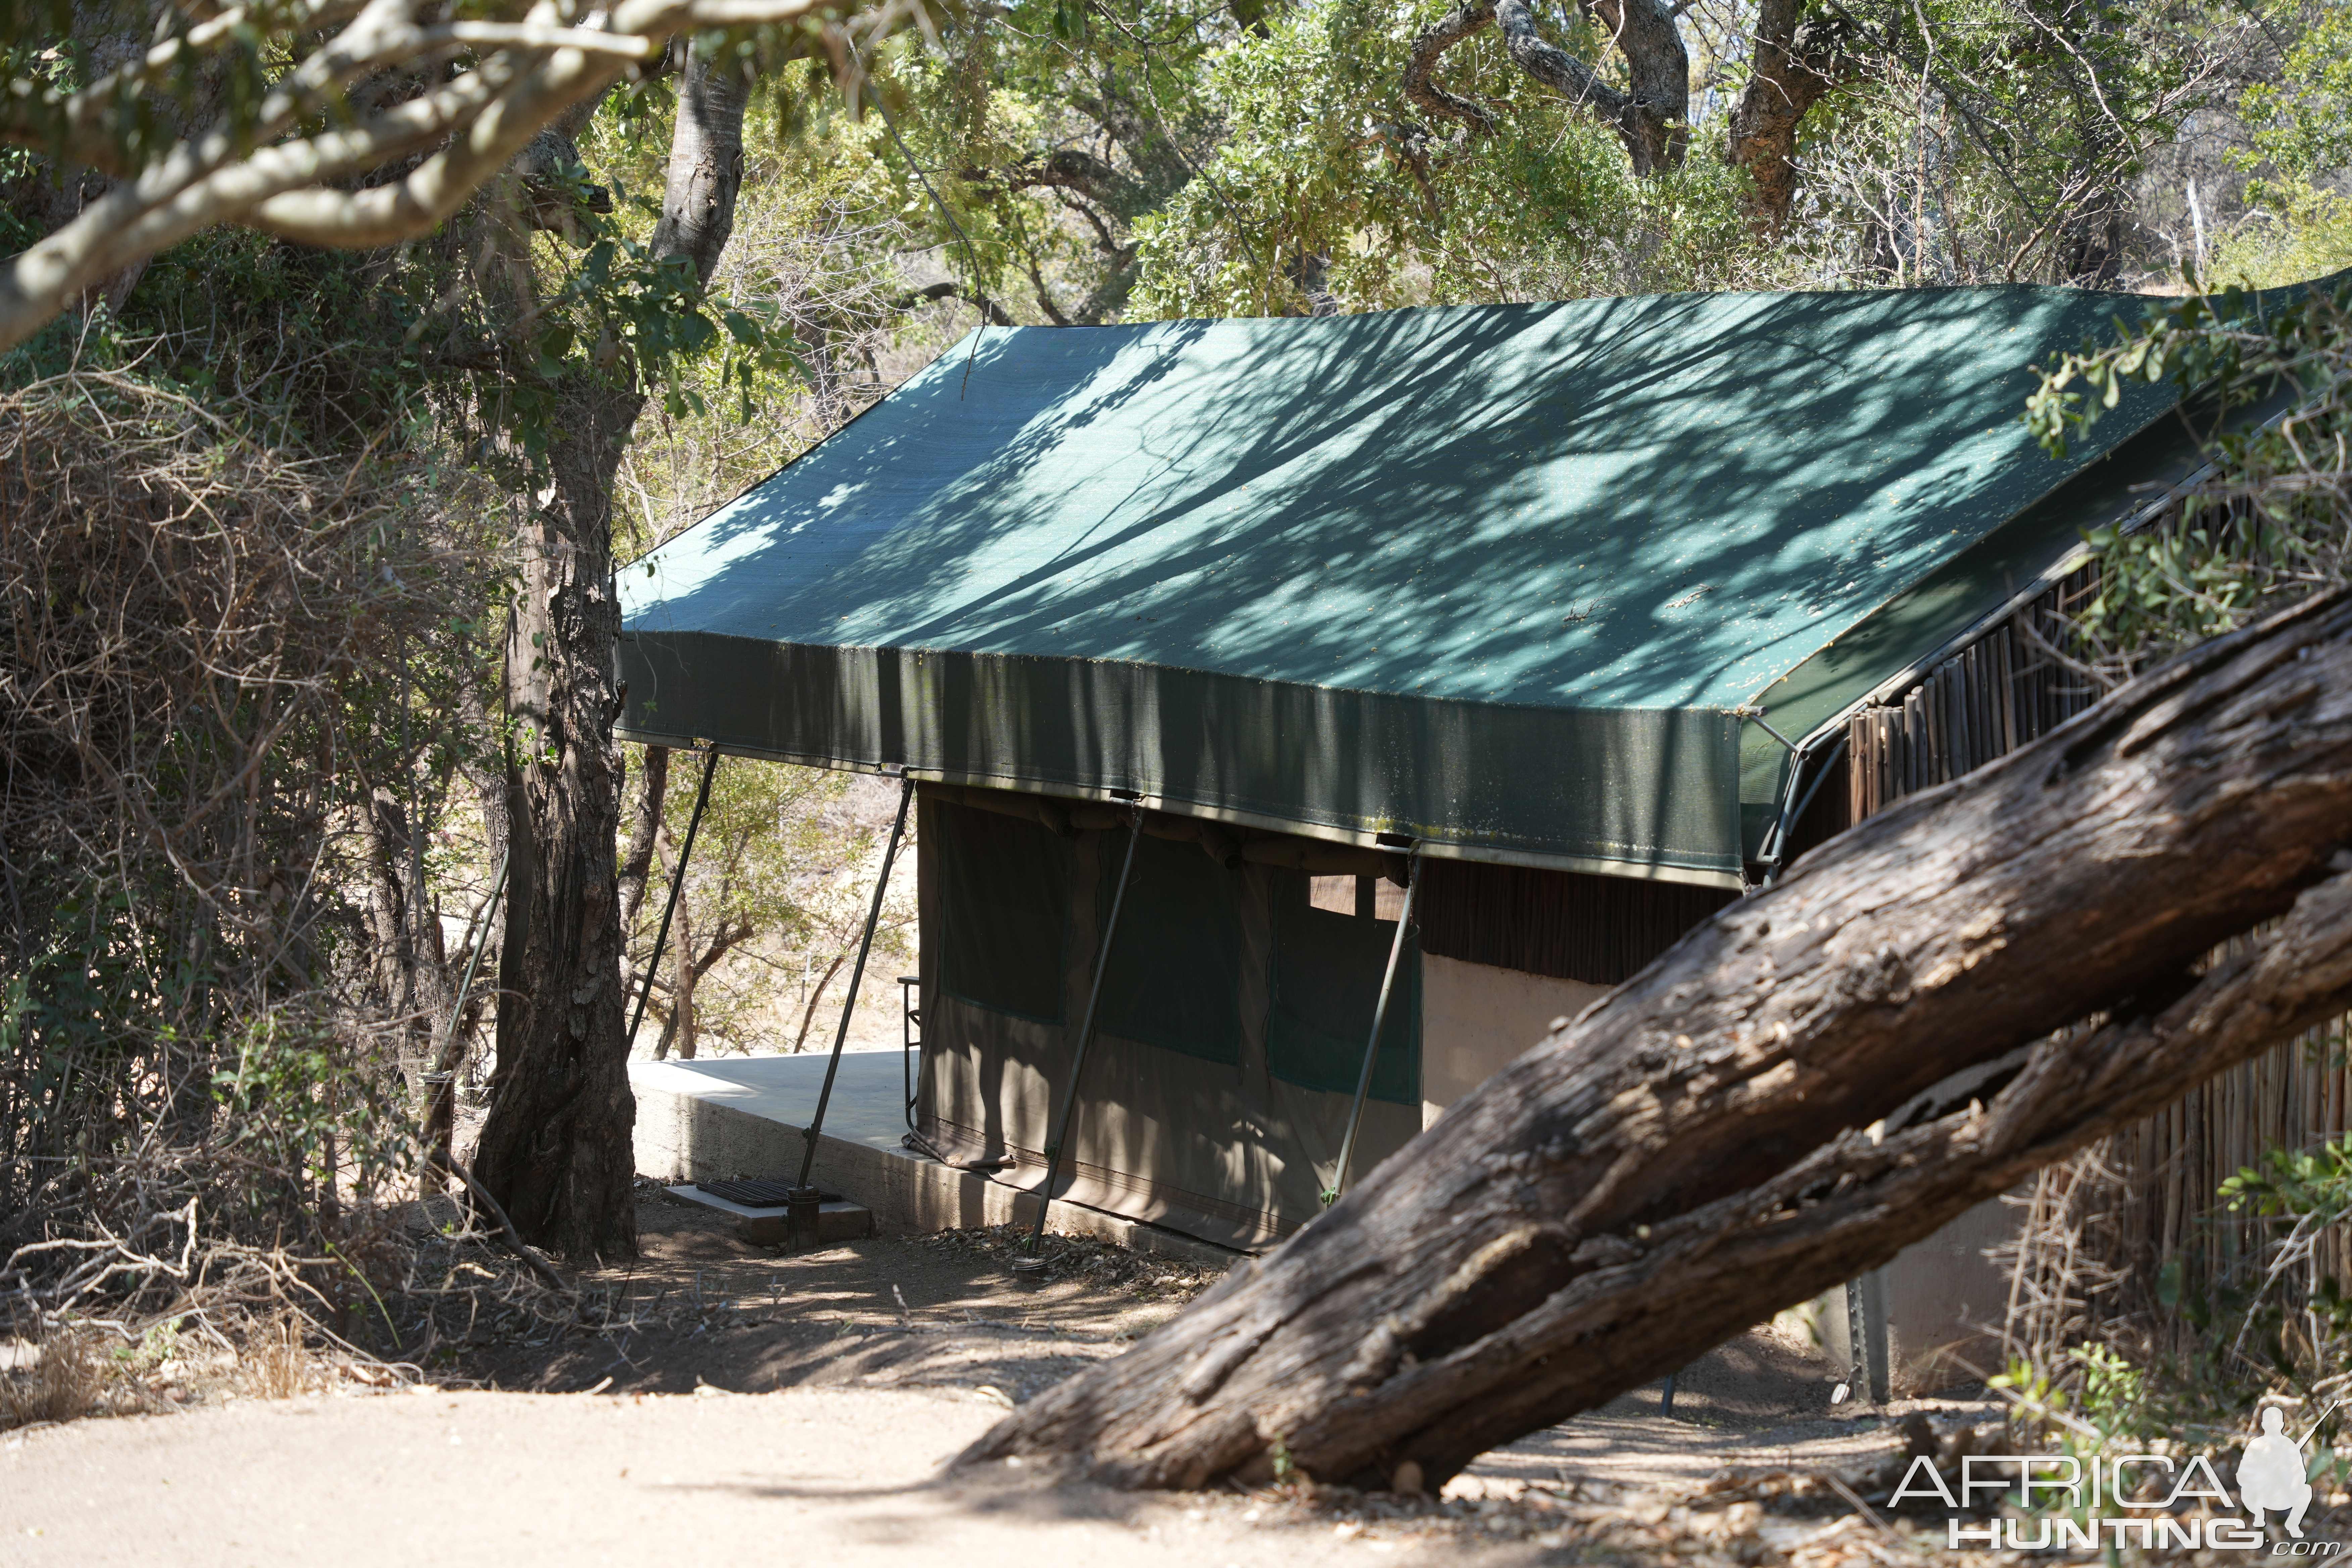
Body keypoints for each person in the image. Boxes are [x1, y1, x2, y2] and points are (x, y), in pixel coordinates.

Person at [2238, 1405, 2312, 1537]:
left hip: (2283, 1494)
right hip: (2259, 1495)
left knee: (2306, 1491)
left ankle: (2293, 1524)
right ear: (2264, 1424)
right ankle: (2259, 1522)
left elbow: (2301, 1473)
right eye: (2269, 1421)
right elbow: (2243, 1474)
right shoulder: (2256, 1445)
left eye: (2276, 1421)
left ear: (2282, 1424)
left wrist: (2292, 1478)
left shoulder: (2289, 1445)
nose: (2273, 1425)